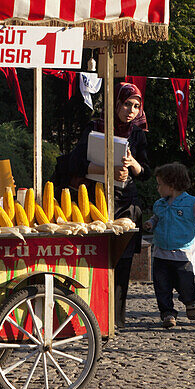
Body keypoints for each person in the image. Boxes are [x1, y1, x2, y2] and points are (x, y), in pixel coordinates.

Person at [67, 81, 151, 327]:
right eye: (127, 104)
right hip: (96, 199)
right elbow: (75, 164)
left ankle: (116, 317)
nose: (131, 111)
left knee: (123, 260)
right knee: (97, 257)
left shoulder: (138, 133)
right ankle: (93, 315)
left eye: (136, 106)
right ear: (116, 103)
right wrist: (109, 171)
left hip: (126, 202)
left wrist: (132, 164)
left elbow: (145, 171)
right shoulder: (95, 127)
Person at [145, 162, 195, 329]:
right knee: (162, 287)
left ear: (172, 185)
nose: (158, 188)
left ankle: (190, 302)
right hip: (160, 253)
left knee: (186, 285)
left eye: (160, 184)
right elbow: (157, 217)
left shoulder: (191, 203)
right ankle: (167, 313)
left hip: (181, 255)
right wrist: (151, 223)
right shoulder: (160, 204)